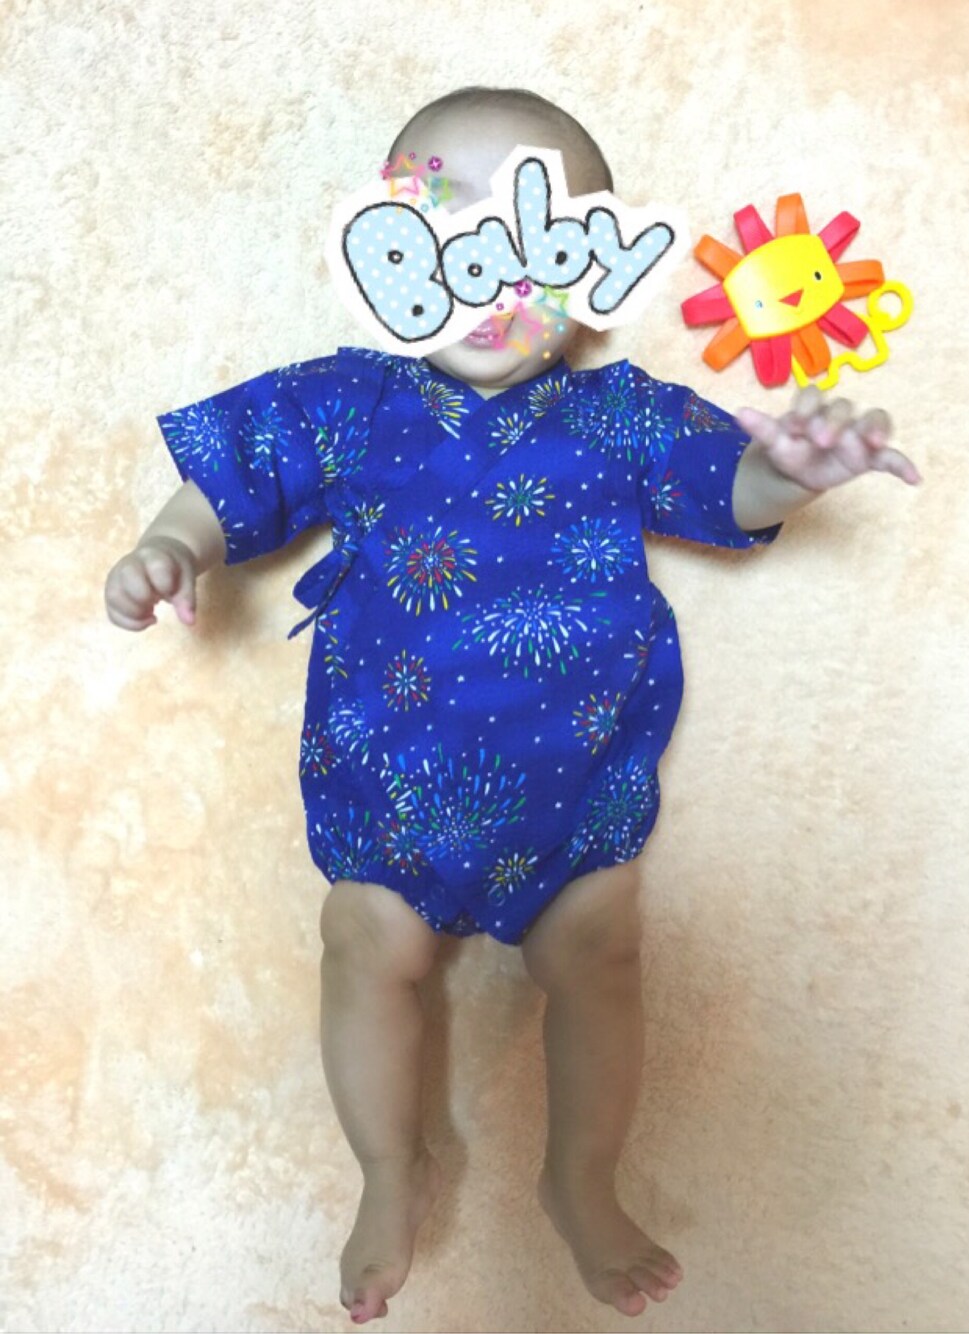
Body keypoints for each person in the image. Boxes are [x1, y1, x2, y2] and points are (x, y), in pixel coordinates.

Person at [104, 86, 922, 1323]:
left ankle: (580, 1179)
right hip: (389, 794)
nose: (488, 276)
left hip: (573, 796)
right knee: (362, 947)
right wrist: (169, 545)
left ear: (592, 266)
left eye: (534, 238)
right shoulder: (349, 398)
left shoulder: (618, 411)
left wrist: (788, 472)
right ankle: (388, 1168)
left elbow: (728, 490)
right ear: (383, 250)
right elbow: (228, 476)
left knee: (601, 956)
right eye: (446, 234)